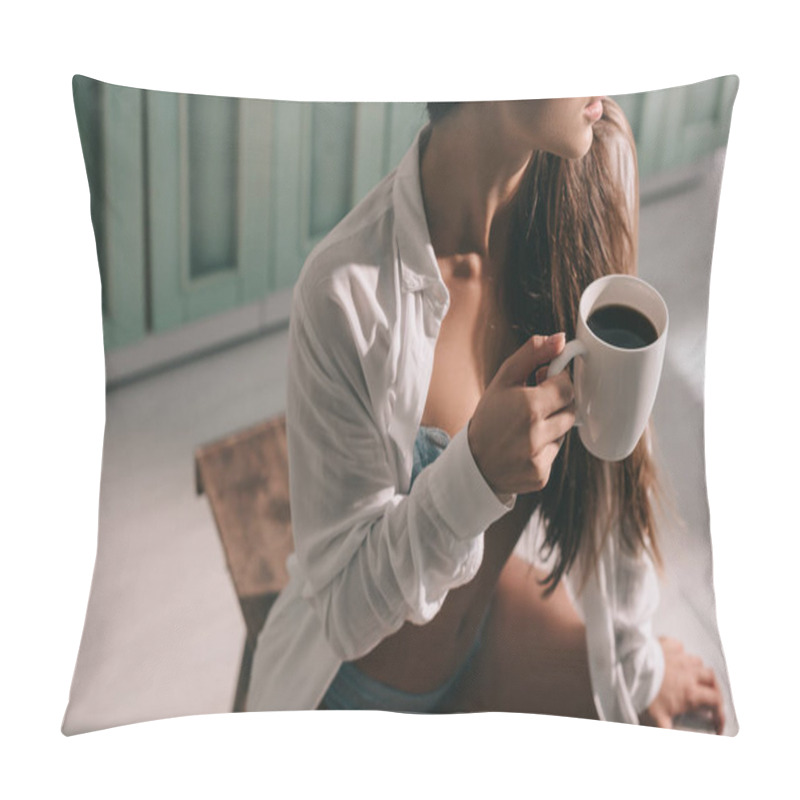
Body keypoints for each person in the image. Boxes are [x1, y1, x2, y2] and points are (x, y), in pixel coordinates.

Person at [246, 96, 726, 732]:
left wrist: (638, 664)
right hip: (359, 691)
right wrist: (473, 475)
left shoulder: (590, 173)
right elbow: (346, 612)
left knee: (655, 727)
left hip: (487, 631)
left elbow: (616, 471)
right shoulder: (347, 292)